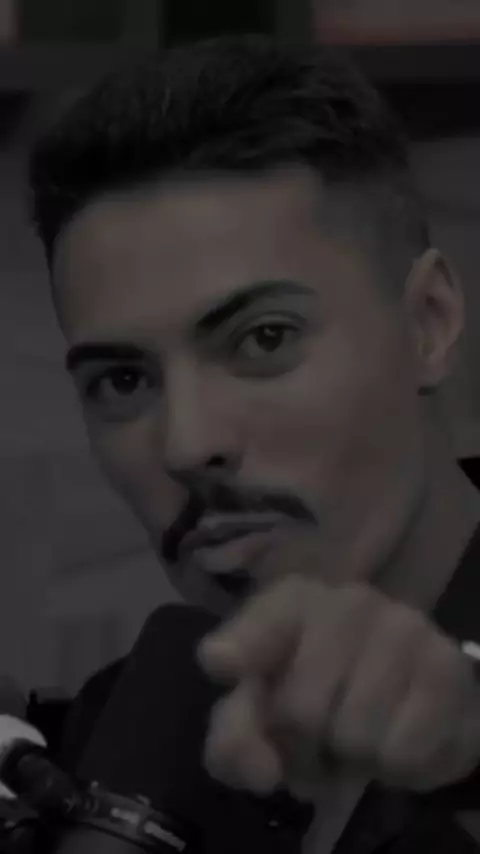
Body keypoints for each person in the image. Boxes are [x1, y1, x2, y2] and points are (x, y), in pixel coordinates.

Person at [28, 35, 480, 853]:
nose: (188, 443)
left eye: (264, 339)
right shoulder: (109, 747)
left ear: (429, 322)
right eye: (123, 382)